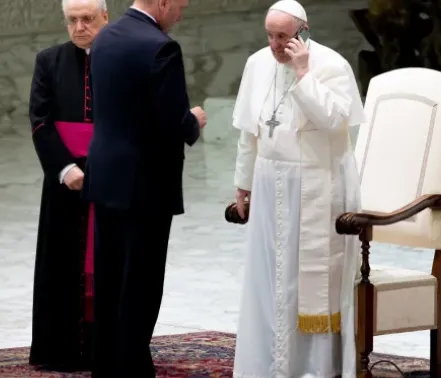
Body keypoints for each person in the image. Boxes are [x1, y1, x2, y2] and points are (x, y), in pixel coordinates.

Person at [231, 1, 366, 377]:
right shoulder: (258, 64)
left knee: (303, 281)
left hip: (315, 186)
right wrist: (242, 185)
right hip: (268, 181)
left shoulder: (331, 66)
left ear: (303, 32)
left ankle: (310, 369)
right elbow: (249, 132)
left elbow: (334, 120)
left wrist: (303, 72)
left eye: (283, 37)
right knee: (269, 278)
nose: (275, 45)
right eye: (270, 35)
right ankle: (266, 367)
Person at [81, 0, 206, 376]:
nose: (181, 12)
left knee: (110, 278)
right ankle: (133, 367)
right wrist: (194, 121)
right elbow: (172, 119)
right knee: (142, 283)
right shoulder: (161, 47)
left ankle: (106, 365)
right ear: (163, 1)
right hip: (146, 184)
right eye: (180, 5)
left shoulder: (105, 38)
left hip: (105, 175)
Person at [27, 0, 108, 371]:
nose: (79, 27)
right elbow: (40, 121)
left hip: (111, 178)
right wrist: (64, 169)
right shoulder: (49, 61)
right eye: (72, 20)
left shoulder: (122, 58)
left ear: (105, 18)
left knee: (109, 264)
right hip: (64, 181)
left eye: (87, 19)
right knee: (61, 266)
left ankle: (105, 350)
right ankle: (58, 350)